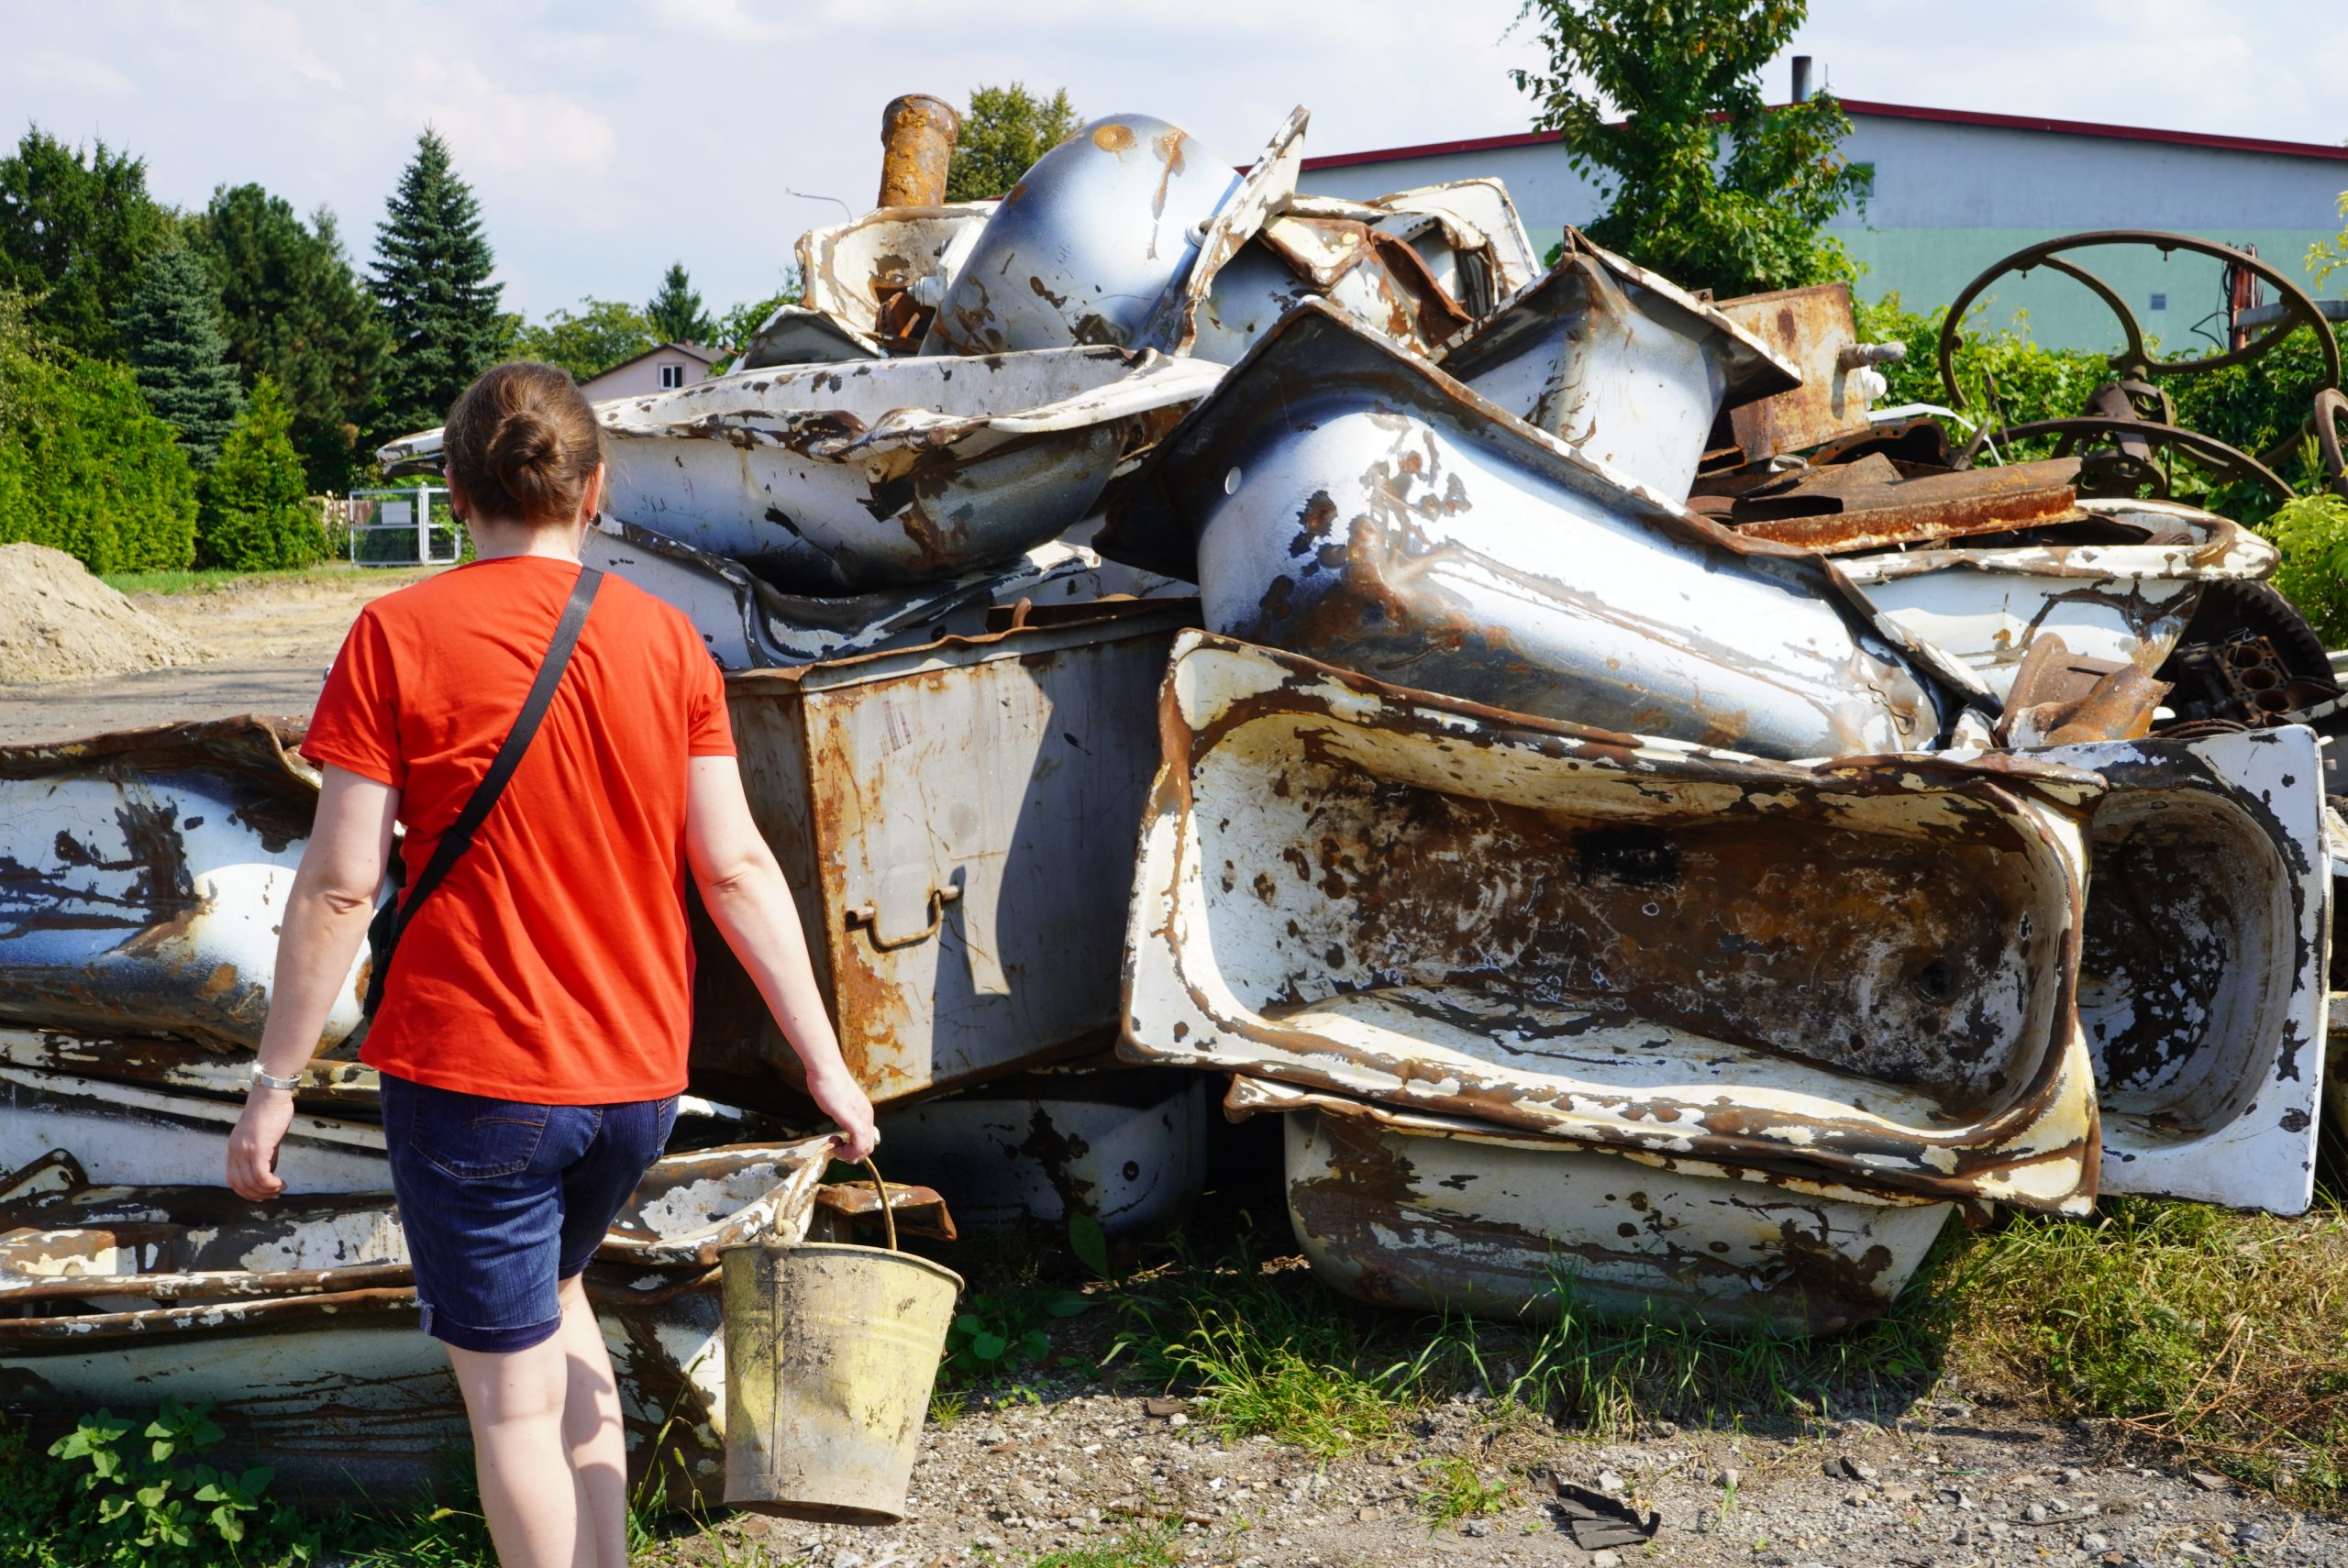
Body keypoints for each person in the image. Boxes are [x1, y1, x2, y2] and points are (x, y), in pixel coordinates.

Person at [225, 361, 877, 1568]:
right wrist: (826, 1062)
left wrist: (273, 1081)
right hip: (633, 1082)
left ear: (460, 493)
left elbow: (340, 881)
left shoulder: (395, 635)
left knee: (510, 1398)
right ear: (598, 491)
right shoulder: (667, 640)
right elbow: (734, 868)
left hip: (477, 1081)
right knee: (562, 1306)